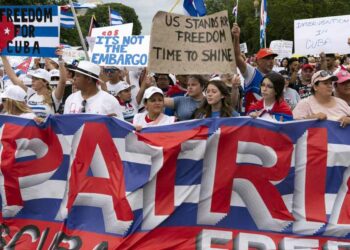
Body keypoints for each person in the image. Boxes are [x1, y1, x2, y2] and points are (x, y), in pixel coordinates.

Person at [1, 55, 66, 118]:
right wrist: (3, 56)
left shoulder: (53, 96)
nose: (32, 81)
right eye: (32, 78)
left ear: (45, 82)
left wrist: (60, 60)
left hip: (46, 129)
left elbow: (62, 82)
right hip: (30, 129)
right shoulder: (31, 93)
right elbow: (13, 78)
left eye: (36, 79)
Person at [232, 23, 278, 112]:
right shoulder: (251, 72)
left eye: (272, 58)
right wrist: (236, 37)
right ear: (257, 61)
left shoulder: (276, 76)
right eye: (267, 58)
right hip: (252, 121)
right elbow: (237, 57)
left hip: (270, 120)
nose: (271, 61)